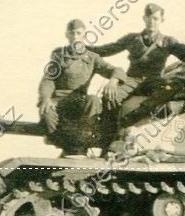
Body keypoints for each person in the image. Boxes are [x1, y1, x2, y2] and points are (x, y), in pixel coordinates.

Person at [93, 3, 185, 126]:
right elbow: (106, 50)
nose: (151, 21)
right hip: (131, 80)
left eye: (155, 18)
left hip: (153, 81)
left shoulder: (168, 41)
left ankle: (136, 115)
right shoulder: (132, 38)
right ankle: (108, 133)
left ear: (162, 20)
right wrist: (82, 47)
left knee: (173, 86)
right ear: (144, 18)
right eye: (149, 17)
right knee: (110, 95)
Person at [38, 19, 126, 154]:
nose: (75, 37)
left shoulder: (92, 57)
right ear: (67, 35)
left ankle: (81, 143)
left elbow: (115, 70)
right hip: (58, 101)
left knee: (93, 100)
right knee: (46, 113)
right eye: (72, 33)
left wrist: (113, 81)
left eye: (78, 33)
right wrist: (46, 98)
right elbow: (48, 80)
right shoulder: (59, 56)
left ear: (84, 34)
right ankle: (69, 146)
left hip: (79, 101)